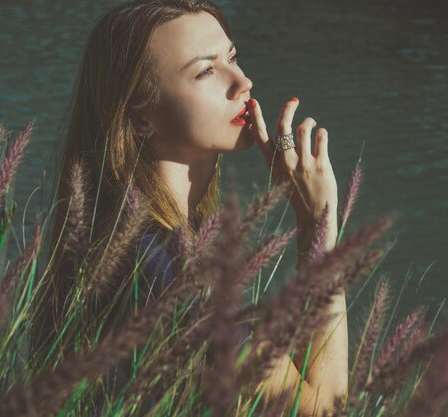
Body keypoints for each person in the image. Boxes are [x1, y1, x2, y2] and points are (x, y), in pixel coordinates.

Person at [30, 0, 348, 415]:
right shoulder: (169, 265)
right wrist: (318, 225)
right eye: (205, 71)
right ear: (141, 116)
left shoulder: (116, 232)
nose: (243, 82)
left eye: (232, 57)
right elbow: (323, 410)